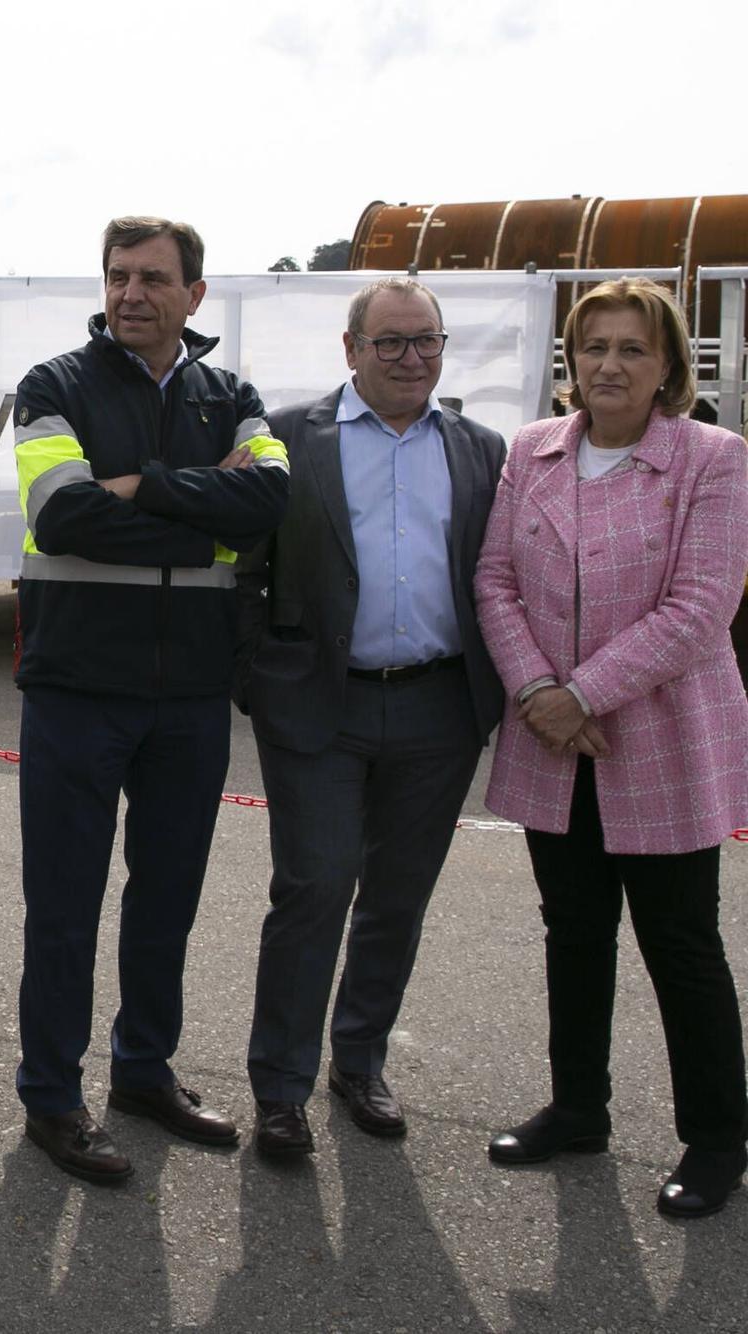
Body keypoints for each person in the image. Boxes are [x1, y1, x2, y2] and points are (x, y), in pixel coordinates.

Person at [11, 217, 288, 1183]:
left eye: (154, 279)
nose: (131, 293)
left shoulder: (233, 395)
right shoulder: (53, 385)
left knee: (165, 900)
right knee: (64, 908)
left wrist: (144, 490)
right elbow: (60, 517)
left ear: (194, 296)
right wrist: (202, 513)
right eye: (118, 276)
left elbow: (269, 506)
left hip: (191, 699)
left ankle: (142, 1071)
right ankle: (51, 1094)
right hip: (77, 691)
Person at [475, 277, 748, 1219]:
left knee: (682, 943)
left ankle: (716, 1138)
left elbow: (702, 605)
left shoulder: (714, 459)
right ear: (571, 362)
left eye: (633, 348)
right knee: (575, 933)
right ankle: (578, 1109)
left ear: (668, 364)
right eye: (595, 347)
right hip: (557, 742)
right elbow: (495, 581)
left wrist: (579, 693)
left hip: (662, 740)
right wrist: (541, 693)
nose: (611, 366)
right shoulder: (531, 455)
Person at [234, 278, 505, 1157]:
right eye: (389, 342)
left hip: (439, 706)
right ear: (350, 349)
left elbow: (496, 576)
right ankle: (280, 1087)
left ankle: (359, 1062)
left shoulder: (482, 449)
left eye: (425, 340)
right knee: (314, 887)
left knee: (397, 899)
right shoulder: (288, 437)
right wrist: (259, 678)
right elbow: (244, 569)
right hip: (320, 703)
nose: (410, 358)